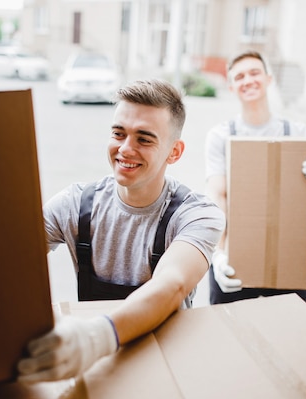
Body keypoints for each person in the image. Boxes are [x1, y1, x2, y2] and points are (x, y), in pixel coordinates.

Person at [17, 79, 225, 383]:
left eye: (144, 139)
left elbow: (172, 284)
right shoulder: (75, 205)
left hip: (165, 371)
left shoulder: (197, 215)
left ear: (174, 152)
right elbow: (11, 256)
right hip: (94, 371)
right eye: (118, 133)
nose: (125, 149)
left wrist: (94, 338)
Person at [205, 50, 306, 304]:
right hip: (236, 255)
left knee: (289, 330)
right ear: (231, 87)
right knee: (229, 332)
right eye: (239, 77)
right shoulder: (220, 136)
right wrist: (217, 255)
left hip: (288, 255)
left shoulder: (297, 132)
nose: (248, 80)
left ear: (268, 79)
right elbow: (218, 197)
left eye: (254, 73)